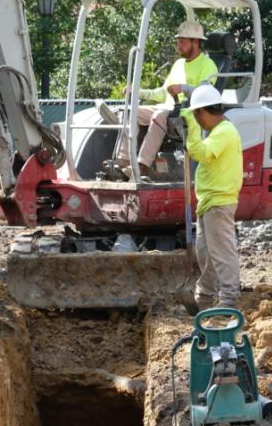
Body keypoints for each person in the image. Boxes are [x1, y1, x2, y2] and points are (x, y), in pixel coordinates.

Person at [104, 19, 217, 179]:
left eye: (182, 41)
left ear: (196, 42)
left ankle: (141, 167)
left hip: (189, 112)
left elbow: (206, 92)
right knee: (130, 112)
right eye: (177, 41)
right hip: (168, 108)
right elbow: (162, 93)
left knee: (159, 116)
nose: (178, 45)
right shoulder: (178, 64)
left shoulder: (207, 64)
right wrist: (138, 92)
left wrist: (184, 88)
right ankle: (123, 164)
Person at [181, 84, 243, 310]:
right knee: (206, 254)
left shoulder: (224, 131)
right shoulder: (218, 132)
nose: (198, 122)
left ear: (201, 112)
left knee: (222, 253)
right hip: (208, 202)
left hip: (219, 202)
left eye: (196, 117)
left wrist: (191, 127)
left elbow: (202, 154)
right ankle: (205, 296)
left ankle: (229, 299)